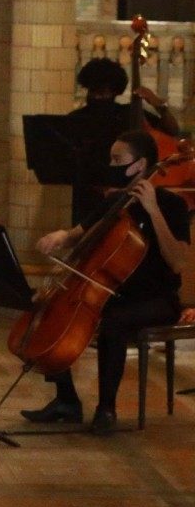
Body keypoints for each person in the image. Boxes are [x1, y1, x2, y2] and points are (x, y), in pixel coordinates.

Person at [21, 130, 189, 434]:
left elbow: (178, 261)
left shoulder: (171, 205)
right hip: (113, 291)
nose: (110, 164)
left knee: (113, 321)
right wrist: (62, 236)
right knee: (49, 307)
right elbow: (82, 231)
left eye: (117, 159)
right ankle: (67, 400)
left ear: (140, 165)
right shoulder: (116, 201)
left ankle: (106, 408)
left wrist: (153, 212)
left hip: (156, 299)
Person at [67, 57, 179, 223]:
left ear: (114, 92)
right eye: (93, 91)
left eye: (103, 92)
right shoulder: (75, 119)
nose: (97, 97)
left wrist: (158, 104)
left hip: (127, 195)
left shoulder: (129, 114)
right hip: (87, 197)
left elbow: (172, 130)